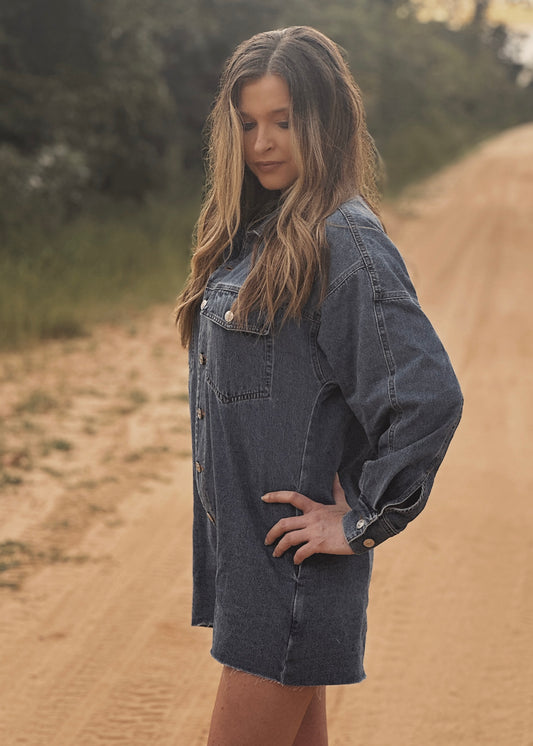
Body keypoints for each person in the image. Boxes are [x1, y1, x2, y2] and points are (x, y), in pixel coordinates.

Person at [175, 25, 463, 746]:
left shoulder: (346, 243)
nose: (263, 142)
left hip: (291, 582)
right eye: (248, 124)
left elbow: (424, 397)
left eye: (284, 121)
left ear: (326, 121)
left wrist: (359, 517)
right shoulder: (261, 234)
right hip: (260, 573)